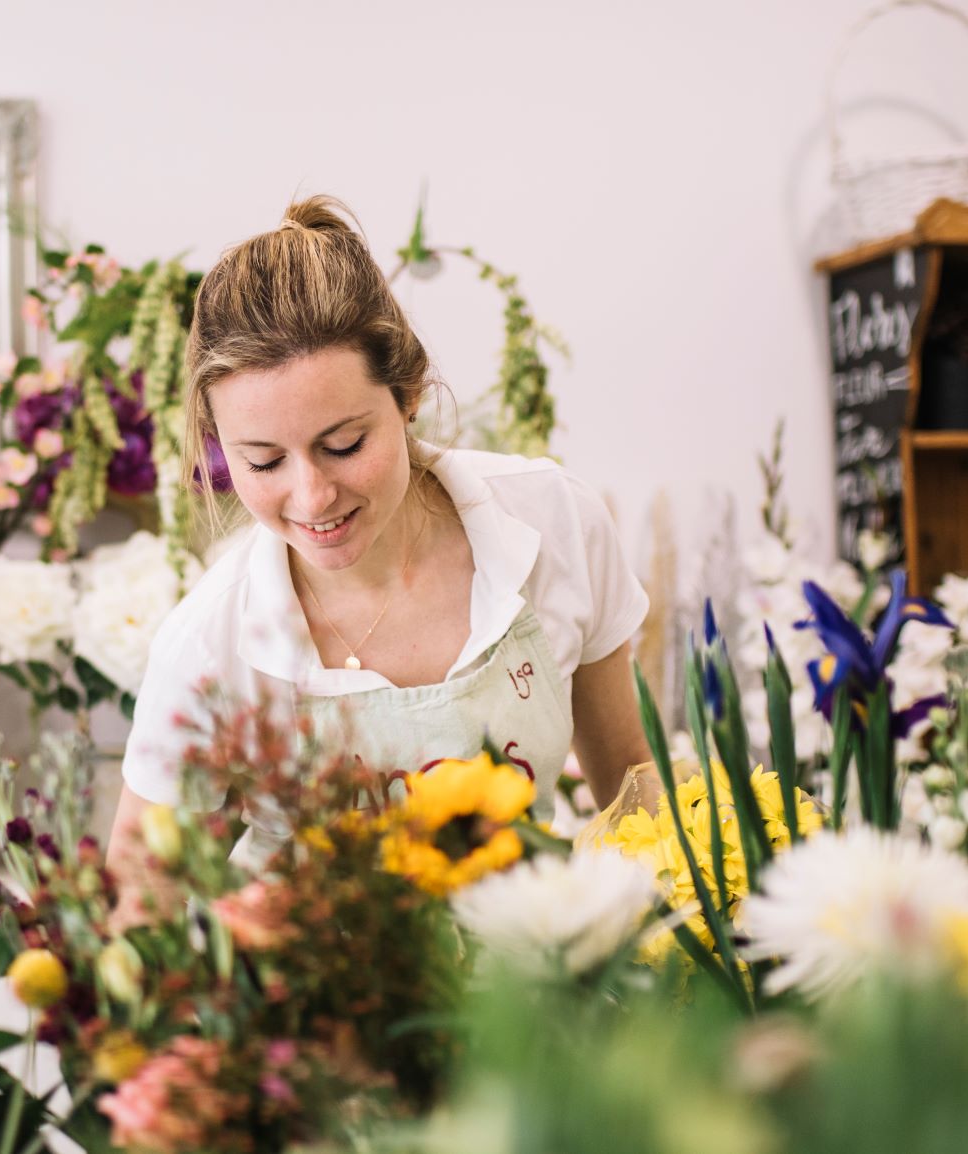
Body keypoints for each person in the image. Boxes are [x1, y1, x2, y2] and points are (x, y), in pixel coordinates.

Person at [105, 195, 652, 892]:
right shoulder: (209, 644)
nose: (312, 498)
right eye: (263, 462)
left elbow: (632, 792)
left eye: (343, 444)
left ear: (409, 394)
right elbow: (135, 908)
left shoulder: (555, 525)